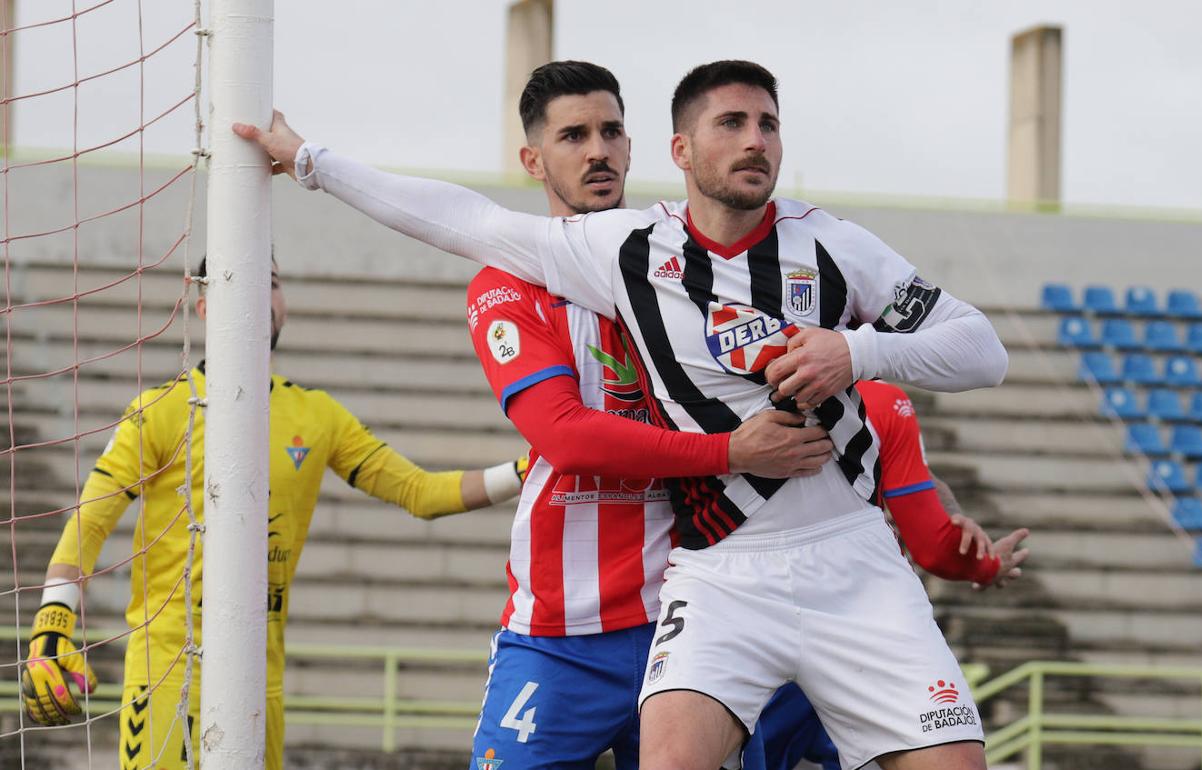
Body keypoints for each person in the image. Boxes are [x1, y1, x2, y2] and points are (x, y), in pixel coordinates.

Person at [236, 58, 1009, 770]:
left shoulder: (834, 245)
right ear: (682, 149)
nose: (754, 140)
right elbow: (471, 233)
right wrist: (313, 163)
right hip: (668, 594)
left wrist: (857, 352)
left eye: (767, 124)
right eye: (731, 124)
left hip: (804, 566)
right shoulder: (611, 253)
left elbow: (977, 351)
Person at [19, 256, 526, 770]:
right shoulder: (162, 409)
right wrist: (53, 620)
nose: (261, 293)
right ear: (203, 306)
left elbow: (421, 492)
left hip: (261, 683)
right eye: (242, 281)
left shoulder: (317, 415)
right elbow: (91, 518)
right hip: (166, 670)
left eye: (273, 282)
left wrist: (524, 470)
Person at [467, 60, 832, 770]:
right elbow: (564, 437)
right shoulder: (507, 282)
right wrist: (730, 453)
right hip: (561, 634)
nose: (598, 150)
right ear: (533, 160)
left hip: (700, 625)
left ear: (635, 147)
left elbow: (837, 368)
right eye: (574, 136)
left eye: (611, 131)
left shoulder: (693, 271)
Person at [747, 380, 1030, 770]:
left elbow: (922, 479)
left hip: (798, 616)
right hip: (827, 618)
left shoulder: (718, 376)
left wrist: (956, 524)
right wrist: (980, 563)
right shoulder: (875, 396)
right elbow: (931, 542)